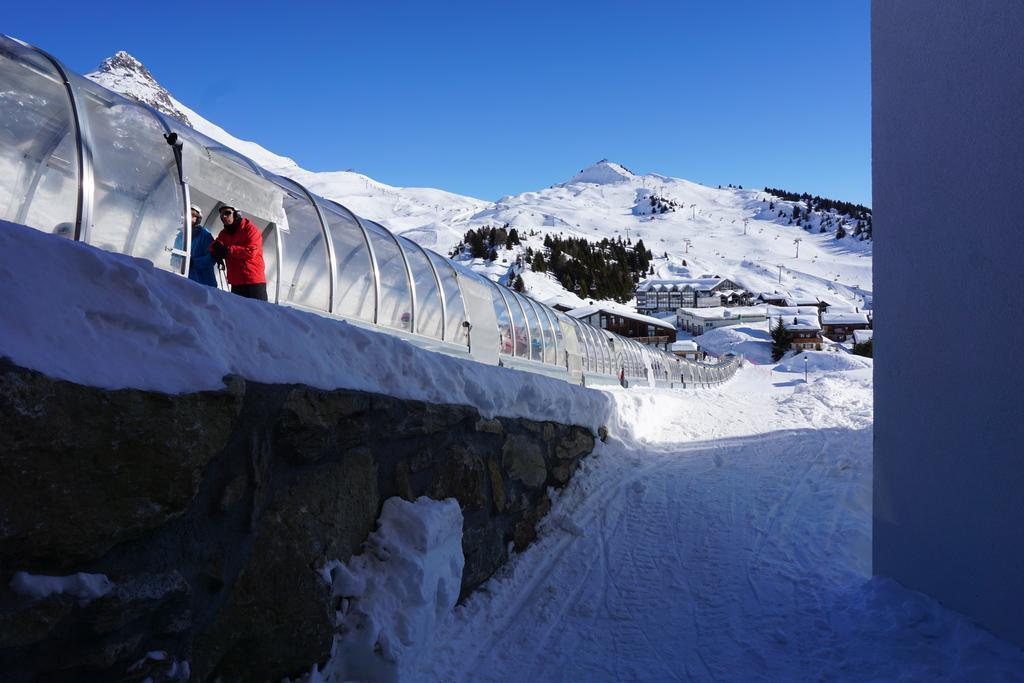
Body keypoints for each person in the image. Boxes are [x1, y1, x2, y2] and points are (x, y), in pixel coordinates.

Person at [210, 204, 267, 301]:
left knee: (258, 313)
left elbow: (251, 251)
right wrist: (215, 248)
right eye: (221, 214)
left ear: (236, 214)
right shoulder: (224, 233)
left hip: (253, 282)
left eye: (227, 213)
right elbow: (215, 244)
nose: (223, 216)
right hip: (236, 282)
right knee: (238, 313)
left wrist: (228, 250)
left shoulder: (250, 230)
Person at [172, 205, 217, 286]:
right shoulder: (180, 236)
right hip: (186, 283)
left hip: (204, 284)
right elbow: (174, 257)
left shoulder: (205, 235)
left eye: (193, 215)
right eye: (187, 214)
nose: (189, 217)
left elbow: (211, 259)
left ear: (198, 219)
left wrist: (193, 262)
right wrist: (177, 262)